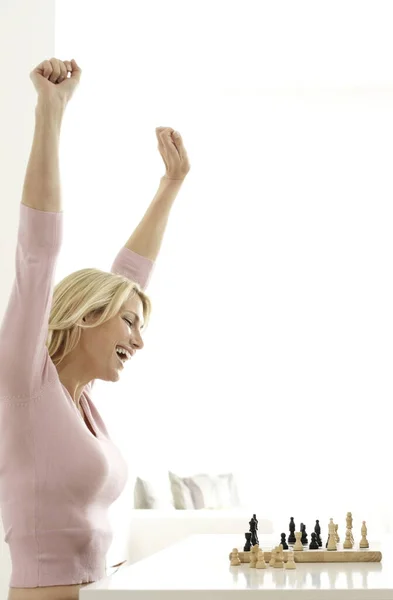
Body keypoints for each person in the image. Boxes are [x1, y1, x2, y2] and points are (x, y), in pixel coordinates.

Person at [0, 58, 190, 600]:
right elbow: (37, 252)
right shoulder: (23, 382)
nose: (139, 339)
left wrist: (170, 185)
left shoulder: (82, 405)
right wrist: (50, 111)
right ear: (85, 316)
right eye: (130, 324)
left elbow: (129, 281)